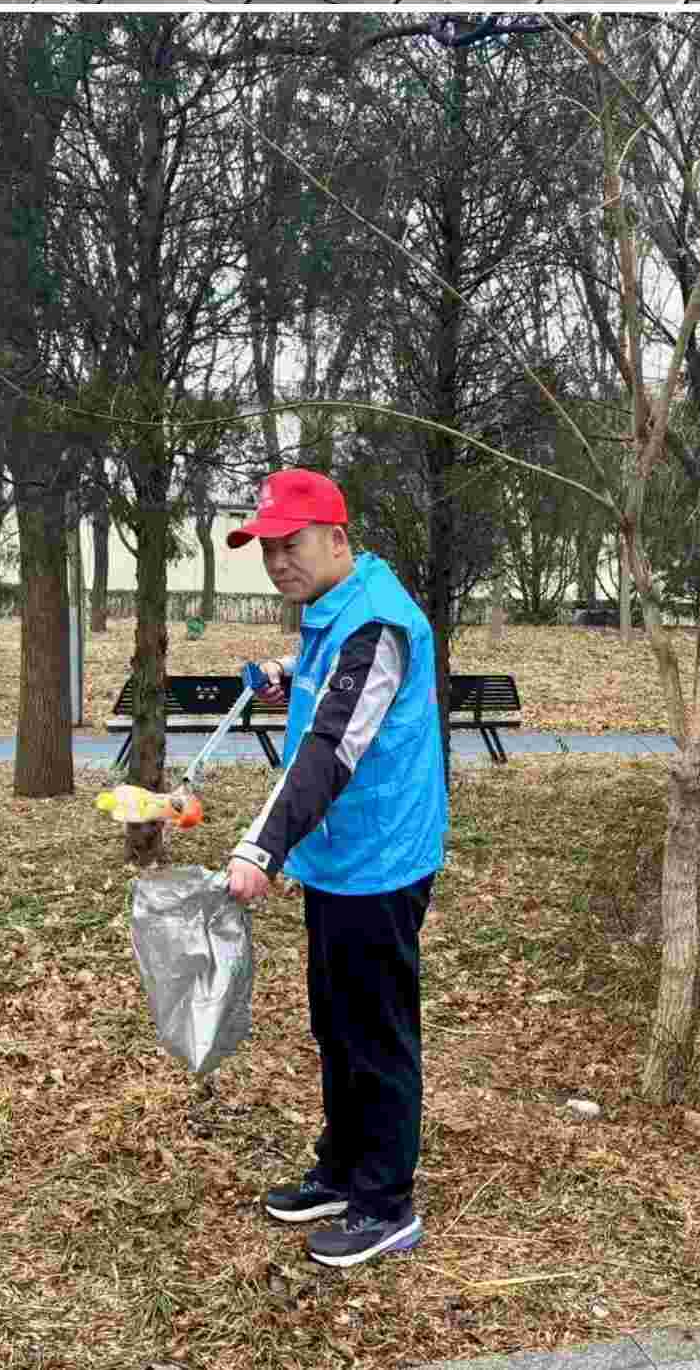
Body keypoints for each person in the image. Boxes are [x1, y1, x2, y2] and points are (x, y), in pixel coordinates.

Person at [222, 465, 450, 1270]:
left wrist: (262, 846)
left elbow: (333, 745)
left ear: (337, 538)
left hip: (381, 859)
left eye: (291, 544)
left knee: (376, 1029)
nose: (277, 560)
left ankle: (386, 1201)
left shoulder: (378, 622)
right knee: (334, 1017)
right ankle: (342, 1169)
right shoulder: (337, 607)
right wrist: (288, 674)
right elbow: (330, 689)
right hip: (339, 856)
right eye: (266, 549)